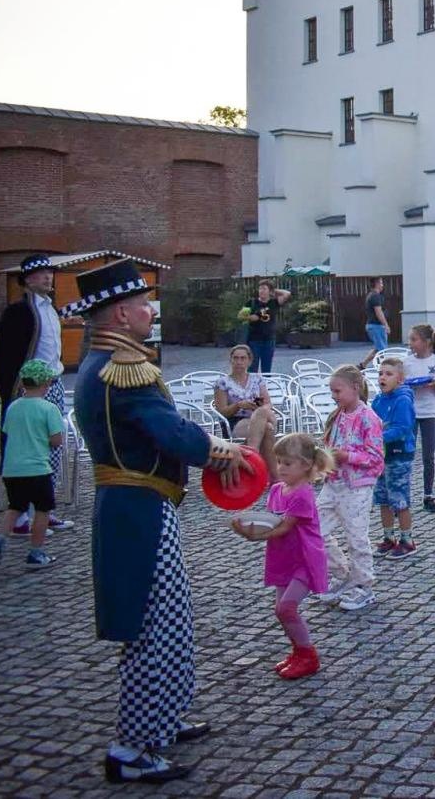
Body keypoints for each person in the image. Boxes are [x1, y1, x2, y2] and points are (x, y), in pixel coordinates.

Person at [67, 260, 250, 784]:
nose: (152, 311)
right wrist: (227, 452)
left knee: (169, 620)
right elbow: (171, 434)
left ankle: (162, 718)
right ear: (122, 315)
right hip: (137, 509)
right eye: (144, 304)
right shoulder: (123, 369)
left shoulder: (102, 362)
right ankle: (131, 747)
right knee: (154, 628)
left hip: (137, 504)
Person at [230, 432, 332, 680]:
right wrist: (248, 526)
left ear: (305, 465)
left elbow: (285, 526)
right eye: (278, 462)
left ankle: (308, 655)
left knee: (287, 607)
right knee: (281, 610)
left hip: (304, 559)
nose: (281, 467)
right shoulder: (277, 490)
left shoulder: (303, 493)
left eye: (287, 463)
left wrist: (253, 535)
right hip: (284, 557)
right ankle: (298, 651)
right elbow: (271, 521)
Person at [0, 253, 73, 534]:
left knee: (53, 446)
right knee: (28, 449)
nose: (48, 277)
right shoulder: (20, 311)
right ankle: (22, 514)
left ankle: (43, 509)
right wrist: (14, 390)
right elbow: (3, 354)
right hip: (29, 389)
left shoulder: (51, 308)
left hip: (54, 382)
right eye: (41, 274)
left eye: (50, 272)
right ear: (27, 280)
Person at [315, 366, 383, 612]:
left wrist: (346, 456)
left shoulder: (369, 418)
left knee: (357, 537)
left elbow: (376, 458)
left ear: (355, 388)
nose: (333, 396)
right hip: (333, 484)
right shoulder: (338, 415)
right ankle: (343, 574)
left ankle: (364, 585)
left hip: (357, 488)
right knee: (314, 529)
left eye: (337, 391)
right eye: (332, 391)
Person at [0, 359, 64, 568]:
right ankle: (36, 553)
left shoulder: (13, 407)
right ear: (46, 383)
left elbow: (7, 431)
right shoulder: (49, 409)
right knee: (42, 510)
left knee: (15, 507)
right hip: (37, 468)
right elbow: (56, 440)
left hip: (12, 469)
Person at [370, 358, 417, 559]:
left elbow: (402, 428)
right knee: (382, 498)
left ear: (400, 379)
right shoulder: (378, 400)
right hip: (381, 455)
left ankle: (407, 540)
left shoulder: (403, 400)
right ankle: (388, 537)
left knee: (399, 498)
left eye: (388, 374)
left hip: (399, 454)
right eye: (380, 373)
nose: (383, 377)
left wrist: (378, 437)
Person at [402, 324, 435, 513]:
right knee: (406, 454)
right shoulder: (407, 362)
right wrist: (408, 385)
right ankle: (402, 495)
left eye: (414, 339)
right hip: (410, 413)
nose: (410, 343)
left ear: (427, 342)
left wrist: (434, 385)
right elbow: (401, 386)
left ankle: (428, 494)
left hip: (429, 412)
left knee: (428, 456)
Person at [213, 345, 279, 470]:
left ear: (249, 361)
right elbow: (222, 411)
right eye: (235, 358)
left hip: (257, 416)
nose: (239, 362)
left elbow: (267, 403)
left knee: (263, 416)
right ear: (231, 360)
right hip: (235, 421)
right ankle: (271, 471)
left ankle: (253, 456)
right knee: (268, 427)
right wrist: (238, 405)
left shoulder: (257, 379)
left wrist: (257, 406)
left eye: (243, 358)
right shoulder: (222, 382)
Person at [239, 279, 292, 373]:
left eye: (264, 289)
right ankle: (253, 383)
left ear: (269, 291)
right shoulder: (252, 302)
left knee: (267, 369)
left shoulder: (274, 303)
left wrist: (274, 290)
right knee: (252, 369)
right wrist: (251, 317)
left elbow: (287, 293)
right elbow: (241, 316)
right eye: (260, 289)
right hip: (254, 340)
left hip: (269, 340)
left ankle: (266, 383)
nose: (261, 291)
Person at [363, 277, 390, 355]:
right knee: (382, 350)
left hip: (373, 325)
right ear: (377, 284)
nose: (382, 285)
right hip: (376, 326)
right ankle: (382, 363)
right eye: (381, 283)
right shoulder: (375, 296)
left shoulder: (372, 295)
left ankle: (364, 362)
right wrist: (386, 325)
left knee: (378, 348)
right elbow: (379, 312)